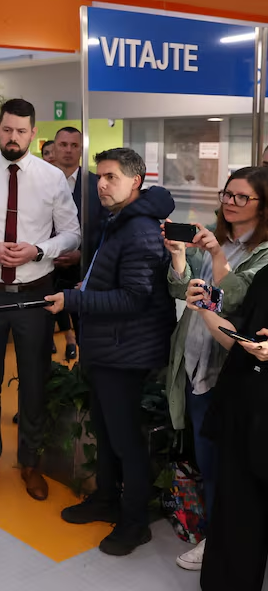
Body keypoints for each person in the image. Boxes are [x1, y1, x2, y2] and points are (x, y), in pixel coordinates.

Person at [0, 98, 81, 501]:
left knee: (35, 383)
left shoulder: (53, 178)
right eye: (7, 130)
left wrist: (38, 250)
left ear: (33, 134)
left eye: (21, 131)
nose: (13, 137)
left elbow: (72, 233)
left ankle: (31, 462)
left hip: (36, 294)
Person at [47, 147, 176, 556]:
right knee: (104, 431)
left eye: (111, 177)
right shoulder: (121, 220)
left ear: (135, 180)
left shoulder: (139, 229)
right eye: (100, 176)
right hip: (108, 347)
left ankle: (134, 523)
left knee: (125, 441)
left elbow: (134, 298)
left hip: (126, 352)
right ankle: (105, 499)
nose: (101, 184)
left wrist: (74, 301)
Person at [163, 166, 268, 571]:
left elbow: (233, 300)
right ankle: (216, 533)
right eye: (227, 194)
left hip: (228, 366)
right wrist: (178, 258)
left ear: (262, 205)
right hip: (192, 357)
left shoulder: (261, 253)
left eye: (242, 197)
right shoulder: (214, 235)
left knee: (226, 463)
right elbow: (181, 290)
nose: (230, 202)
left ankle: (221, 539)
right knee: (207, 456)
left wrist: (216, 255)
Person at [184, 265, 268, 590]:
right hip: (246, 406)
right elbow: (240, 342)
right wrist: (205, 309)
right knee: (237, 510)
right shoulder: (264, 278)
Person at [50, 126, 110, 361]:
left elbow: (105, 229)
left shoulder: (97, 185)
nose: (68, 150)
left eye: (74, 145)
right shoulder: (38, 181)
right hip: (43, 270)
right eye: (63, 144)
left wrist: (82, 253)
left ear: (82, 150)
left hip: (85, 272)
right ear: (54, 147)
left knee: (88, 336)